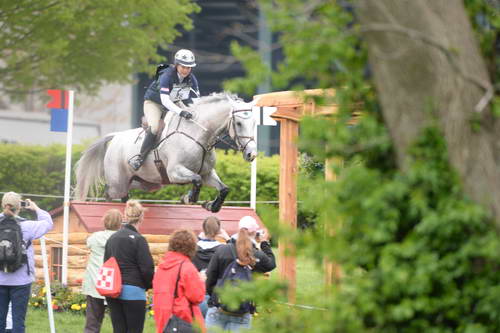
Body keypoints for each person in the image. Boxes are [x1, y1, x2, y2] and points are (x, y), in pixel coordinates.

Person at [129, 48, 200, 170]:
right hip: (155, 103)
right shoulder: (167, 75)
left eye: (189, 68)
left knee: (191, 120)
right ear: (177, 65)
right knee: (155, 128)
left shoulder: (191, 78)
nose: (186, 70)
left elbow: (197, 99)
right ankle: (140, 158)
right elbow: (165, 101)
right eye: (183, 67)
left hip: (175, 103)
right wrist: (181, 112)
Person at [205, 216, 276, 332]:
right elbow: (271, 264)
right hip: (242, 311)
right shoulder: (256, 255)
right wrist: (264, 242)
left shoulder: (222, 250)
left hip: (218, 308)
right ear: (254, 232)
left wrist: (215, 298)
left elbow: (210, 280)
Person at [0, 192, 53, 333]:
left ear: (2, 204)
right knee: (18, 321)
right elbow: (48, 223)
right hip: (21, 281)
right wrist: (36, 208)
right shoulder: (28, 226)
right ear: (19, 207)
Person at [104, 200, 154, 333]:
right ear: (142, 217)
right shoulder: (139, 240)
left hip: (113, 291)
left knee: (118, 330)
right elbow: (147, 268)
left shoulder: (112, 238)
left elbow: (106, 264)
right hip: (134, 290)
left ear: (125, 217)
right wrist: (148, 285)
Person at [153, 229, 206, 333]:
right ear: (191, 247)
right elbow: (197, 297)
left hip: (163, 317)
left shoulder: (162, 266)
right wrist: (201, 280)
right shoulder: (187, 267)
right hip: (182, 318)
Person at [82, 209, 122, 333]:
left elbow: (87, 242)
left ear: (104, 222)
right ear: (120, 223)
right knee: (120, 323)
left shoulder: (95, 237)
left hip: (95, 285)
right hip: (115, 285)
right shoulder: (121, 238)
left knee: (92, 323)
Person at [192, 216, 230, 317]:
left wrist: (198, 237)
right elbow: (235, 252)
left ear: (203, 229)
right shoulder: (223, 249)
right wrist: (227, 238)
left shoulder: (193, 248)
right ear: (218, 231)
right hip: (214, 296)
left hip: (195, 295)